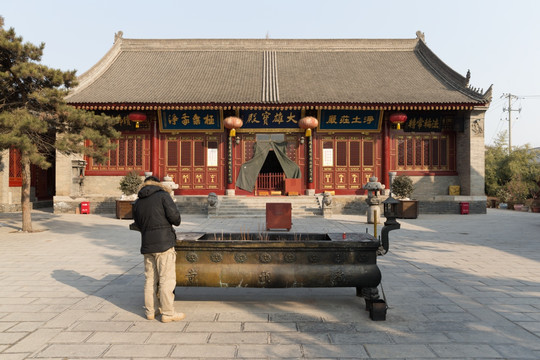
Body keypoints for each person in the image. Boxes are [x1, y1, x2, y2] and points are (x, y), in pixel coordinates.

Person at [132, 175, 185, 323]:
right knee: (166, 279)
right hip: (164, 243)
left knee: (150, 279)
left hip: (147, 244)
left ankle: (151, 311)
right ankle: (168, 313)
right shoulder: (163, 196)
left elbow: (137, 223)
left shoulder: (138, 201)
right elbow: (176, 219)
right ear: (158, 184)